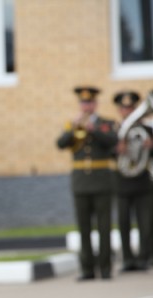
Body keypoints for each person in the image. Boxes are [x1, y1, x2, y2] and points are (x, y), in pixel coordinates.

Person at [57, 86, 118, 281]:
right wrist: (74, 127)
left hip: (102, 182)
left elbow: (113, 142)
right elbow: (60, 144)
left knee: (104, 227)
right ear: (80, 105)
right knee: (84, 229)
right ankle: (87, 269)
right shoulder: (72, 124)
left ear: (95, 104)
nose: (86, 105)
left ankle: (106, 268)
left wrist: (95, 130)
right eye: (83, 102)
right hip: (81, 183)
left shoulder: (106, 124)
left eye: (89, 102)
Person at [113, 90, 152, 272]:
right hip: (122, 184)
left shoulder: (148, 130)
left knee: (146, 223)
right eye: (124, 108)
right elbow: (106, 152)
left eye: (130, 108)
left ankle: (145, 257)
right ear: (119, 110)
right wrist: (117, 150)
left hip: (143, 183)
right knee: (123, 223)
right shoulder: (115, 130)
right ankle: (127, 259)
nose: (127, 112)